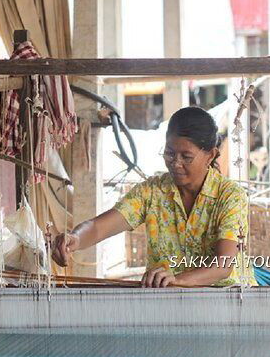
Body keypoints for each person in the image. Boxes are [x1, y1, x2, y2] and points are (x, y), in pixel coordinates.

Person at [52, 106, 253, 287]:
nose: (176, 163)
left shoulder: (230, 197)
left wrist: (179, 279)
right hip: (169, 303)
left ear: (210, 155)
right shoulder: (151, 193)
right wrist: (76, 238)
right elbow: (97, 227)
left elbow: (223, 265)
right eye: (170, 154)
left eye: (186, 157)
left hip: (228, 304)